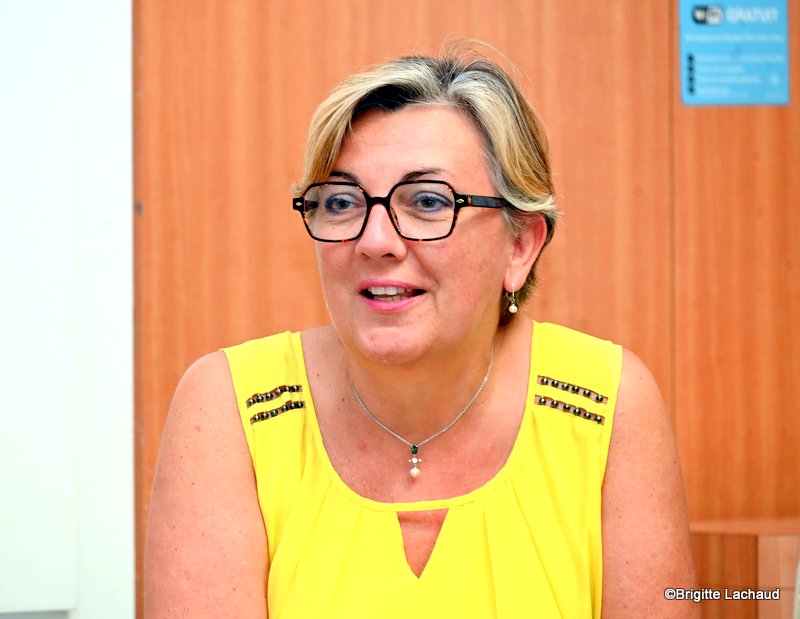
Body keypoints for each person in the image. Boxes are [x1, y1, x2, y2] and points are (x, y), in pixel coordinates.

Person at [144, 44, 698, 618]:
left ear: (519, 246)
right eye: (341, 202)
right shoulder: (230, 405)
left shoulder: (607, 402)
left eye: (428, 202)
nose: (375, 241)